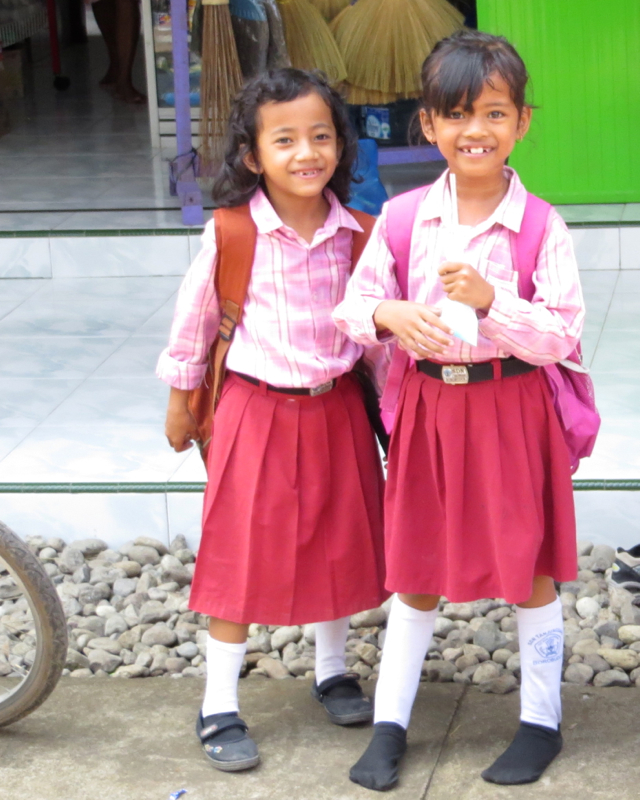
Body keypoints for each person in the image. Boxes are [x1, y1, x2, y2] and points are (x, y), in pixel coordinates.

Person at [333, 30, 585, 791]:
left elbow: (563, 335)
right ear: (431, 125)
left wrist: (493, 301)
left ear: (523, 122)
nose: (476, 130)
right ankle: (389, 724)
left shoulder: (542, 225)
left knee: (529, 568)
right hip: (431, 414)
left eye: (494, 113)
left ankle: (541, 723)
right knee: (415, 569)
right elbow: (351, 306)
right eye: (457, 114)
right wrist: (390, 316)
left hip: (514, 413)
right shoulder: (404, 218)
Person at [157, 68, 387, 773]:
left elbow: (376, 339)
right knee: (238, 555)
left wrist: (398, 416)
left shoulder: (362, 235)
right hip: (254, 411)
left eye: (321, 135)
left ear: (341, 147)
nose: (306, 152)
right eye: (284, 139)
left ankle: (332, 670)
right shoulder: (232, 233)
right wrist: (179, 398)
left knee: (343, 541)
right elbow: (194, 322)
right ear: (253, 155)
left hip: (337, 407)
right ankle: (219, 702)